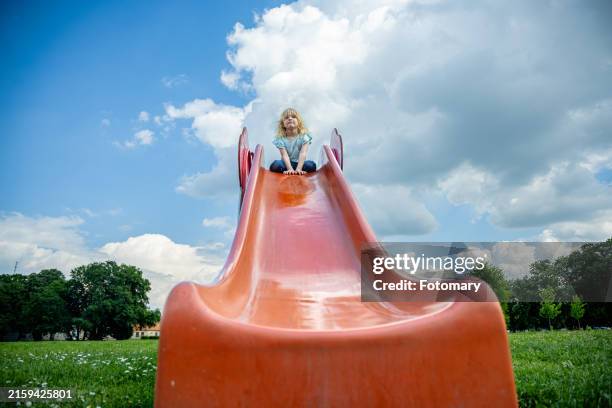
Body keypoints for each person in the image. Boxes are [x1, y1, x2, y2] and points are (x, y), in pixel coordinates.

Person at [269, 108, 317, 175]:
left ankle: (297, 169)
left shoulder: (304, 137)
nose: (290, 119)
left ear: (299, 122)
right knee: (276, 164)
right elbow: (284, 155)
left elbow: (303, 153)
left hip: (300, 163)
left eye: (293, 117)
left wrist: (299, 169)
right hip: (286, 164)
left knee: (311, 165)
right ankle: (289, 169)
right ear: (283, 124)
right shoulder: (280, 139)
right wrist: (289, 169)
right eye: (286, 118)